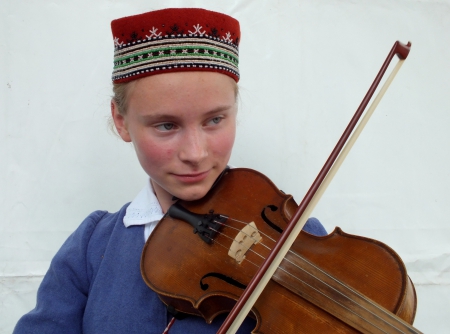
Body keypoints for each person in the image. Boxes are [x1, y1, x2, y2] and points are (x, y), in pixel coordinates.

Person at [13, 8, 327, 334]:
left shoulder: (293, 234)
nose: (195, 153)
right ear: (121, 121)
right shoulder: (92, 247)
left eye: (215, 120)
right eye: (166, 125)